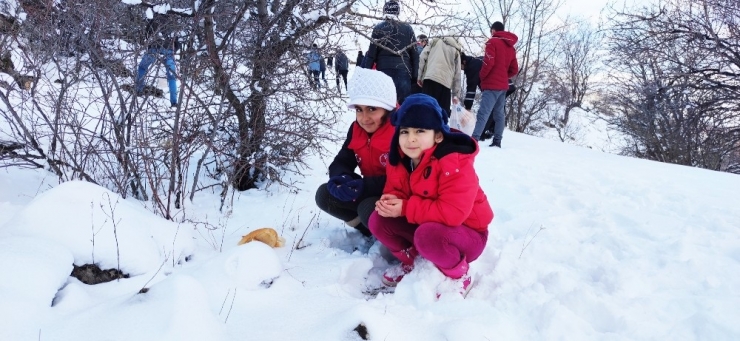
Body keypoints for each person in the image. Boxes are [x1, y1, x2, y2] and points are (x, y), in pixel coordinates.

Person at [369, 93, 493, 297]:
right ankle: (414, 263)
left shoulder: (455, 162)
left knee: (427, 235)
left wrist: (405, 207)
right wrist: (390, 203)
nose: (411, 138)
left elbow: (452, 213)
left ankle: (459, 273)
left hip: (467, 235)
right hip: (426, 225)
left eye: (420, 130)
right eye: (405, 131)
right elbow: (396, 192)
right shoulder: (400, 159)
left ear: (438, 135)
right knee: (379, 220)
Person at [315, 68, 398, 237]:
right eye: (359, 109)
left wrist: (363, 187)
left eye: (372, 109)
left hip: (397, 198)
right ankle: (369, 232)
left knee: (368, 207)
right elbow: (342, 160)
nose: (364, 118)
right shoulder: (356, 129)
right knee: (325, 195)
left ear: (387, 109)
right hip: (369, 192)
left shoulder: (401, 132)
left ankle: (396, 239)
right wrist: (342, 178)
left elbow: (405, 178)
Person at [471, 21, 518, 148]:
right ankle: (497, 141)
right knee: (499, 114)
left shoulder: (492, 42)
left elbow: (488, 63)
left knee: (483, 113)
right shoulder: (511, 47)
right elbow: (514, 69)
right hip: (503, 86)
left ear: (493, 31)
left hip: (491, 84)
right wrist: (503, 76)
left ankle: (473, 140)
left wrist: (482, 76)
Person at [361, 0, 418, 104]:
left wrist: (366, 73)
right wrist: (415, 76)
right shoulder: (408, 29)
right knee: (403, 107)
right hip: (403, 71)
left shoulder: (378, 28)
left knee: (385, 105)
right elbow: (414, 55)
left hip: (384, 72)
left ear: (385, 11)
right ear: (398, 12)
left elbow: (371, 55)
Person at [460, 53, 517, 142]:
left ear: (464, 62)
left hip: (494, 86)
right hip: (505, 84)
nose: (461, 69)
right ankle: (494, 135)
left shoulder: (471, 67)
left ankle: (480, 135)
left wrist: (468, 106)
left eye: (460, 66)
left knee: (487, 111)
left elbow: (471, 88)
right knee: (498, 112)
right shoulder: (477, 60)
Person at [136, 11, 181, 107]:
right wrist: (173, 50)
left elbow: (147, 35)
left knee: (142, 68)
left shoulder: (152, 17)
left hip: (154, 48)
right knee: (171, 76)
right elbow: (177, 41)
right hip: (168, 50)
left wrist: (149, 47)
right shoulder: (172, 20)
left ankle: (139, 90)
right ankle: (174, 102)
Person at [417, 34, 462, 116]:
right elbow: (457, 74)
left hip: (430, 79)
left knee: (425, 111)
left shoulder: (435, 41)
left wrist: (419, 76)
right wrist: (455, 95)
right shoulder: (456, 50)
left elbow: (422, 56)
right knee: (442, 115)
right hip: (445, 85)